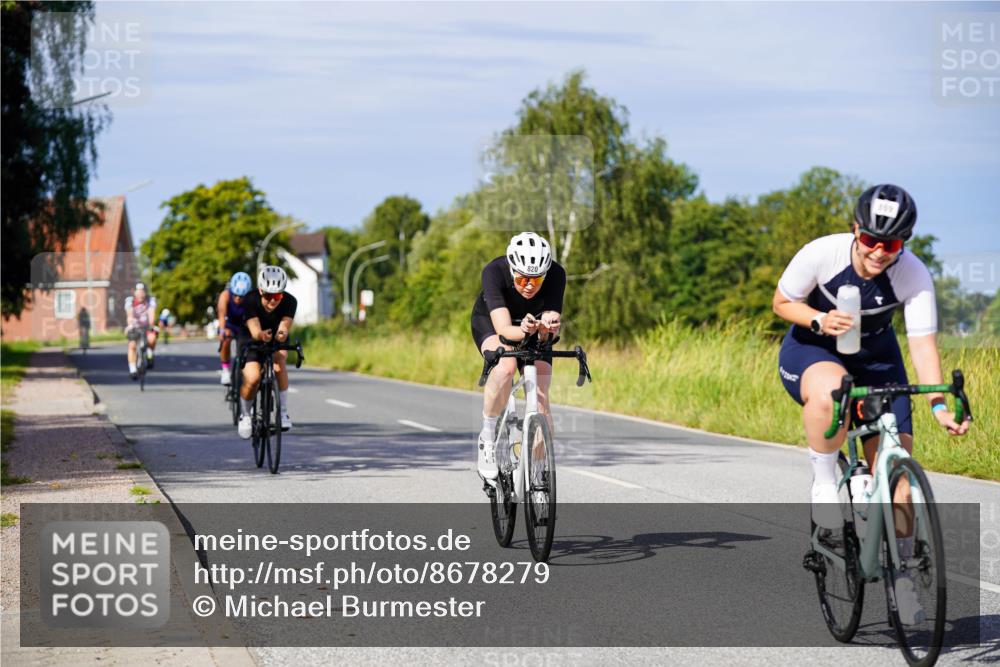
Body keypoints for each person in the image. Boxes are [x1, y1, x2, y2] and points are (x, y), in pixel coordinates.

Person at [772, 184, 969, 624]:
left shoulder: (913, 275)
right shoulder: (822, 254)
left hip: (878, 361)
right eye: (871, 241)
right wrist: (820, 319)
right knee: (833, 388)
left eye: (893, 244)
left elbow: (922, 348)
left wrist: (939, 407)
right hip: (813, 351)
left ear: (905, 243)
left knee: (900, 481)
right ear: (855, 231)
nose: (880, 252)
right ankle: (824, 483)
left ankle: (904, 577)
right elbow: (782, 301)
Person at [471, 231, 566, 480]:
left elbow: (548, 334)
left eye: (536, 280)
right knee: (506, 366)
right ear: (513, 269)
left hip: (533, 326)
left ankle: (536, 474)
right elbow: (503, 330)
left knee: (542, 399)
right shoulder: (494, 272)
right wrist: (524, 329)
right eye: (523, 278)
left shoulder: (557, 274)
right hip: (495, 322)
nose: (528, 286)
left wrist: (548, 328)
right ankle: (488, 437)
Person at [237, 266, 297, 439]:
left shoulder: (290, 301)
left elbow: (285, 325)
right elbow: (255, 329)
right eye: (268, 296)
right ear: (260, 291)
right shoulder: (250, 299)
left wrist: (282, 333)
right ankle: (245, 415)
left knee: (279, 362)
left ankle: (283, 412)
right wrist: (261, 335)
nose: (273, 301)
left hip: (275, 335)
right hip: (250, 336)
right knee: (253, 377)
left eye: (277, 296)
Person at [216, 272, 253, 385]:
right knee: (226, 339)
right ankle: (226, 369)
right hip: (229, 324)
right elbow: (222, 316)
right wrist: (222, 331)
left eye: (241, 296)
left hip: (245, 325)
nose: (237, 298)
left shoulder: (252, 297)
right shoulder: (225, 295)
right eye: (235, 295)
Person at [124, 282, 158, 379]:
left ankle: (149, 354)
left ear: (145, 292)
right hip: (134, 326)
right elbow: (129, 315)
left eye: (142, 292)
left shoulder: (150, 300)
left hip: (146, 326)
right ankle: (132, 369)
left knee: (152, 339)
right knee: (132, 345)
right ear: (134, 293)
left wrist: (151, 324)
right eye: (138, 292)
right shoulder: (130, 301)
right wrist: (130, 324)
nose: (140, 294)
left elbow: (151, 314)